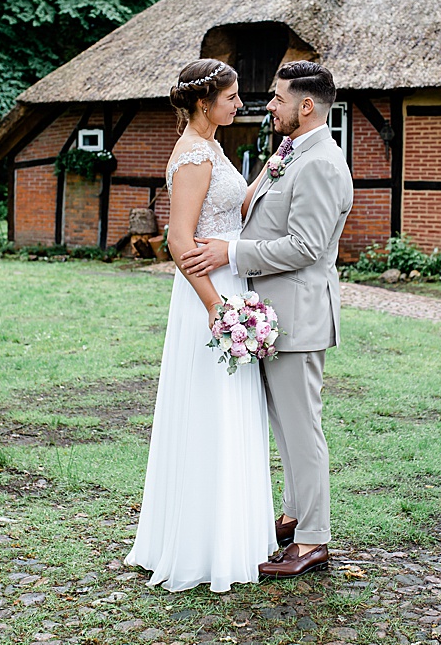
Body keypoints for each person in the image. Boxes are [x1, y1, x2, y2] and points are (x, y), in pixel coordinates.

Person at [181, 60, 353, 578]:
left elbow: (306, 246)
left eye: (277, 99)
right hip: (272, 314)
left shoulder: (322, 162)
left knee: (303, 428)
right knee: (284, 424)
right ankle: (296, 515)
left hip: (298, 314)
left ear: (306, 106)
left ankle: (314, 540)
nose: (268, 106)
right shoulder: (289, 152)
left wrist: (230, 253)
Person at [124, 59, 277, 592]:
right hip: (207, 298)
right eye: (231, 97)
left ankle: (232, 535)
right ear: (203, 103)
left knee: (232, 409)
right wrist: (216, 306)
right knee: (210, 410)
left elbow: (233, 208)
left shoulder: (212, 147)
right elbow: (179, 238)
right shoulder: (191, 155)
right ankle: (201, 545)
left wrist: (273, 168)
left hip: (230, 285)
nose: (240, 104)